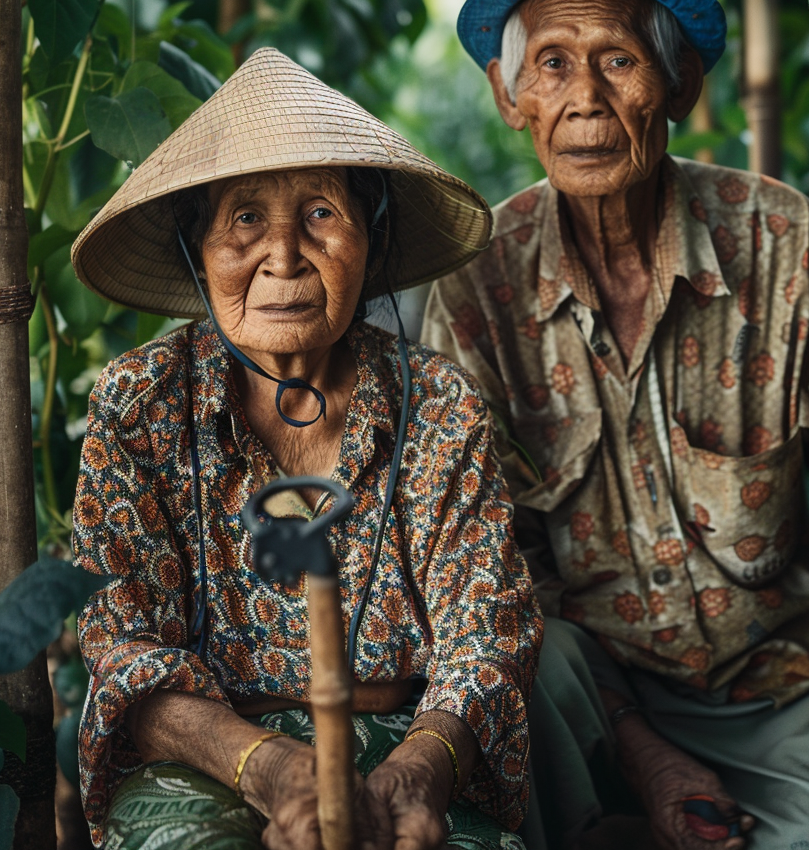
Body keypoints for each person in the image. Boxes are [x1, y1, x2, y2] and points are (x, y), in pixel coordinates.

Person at [421, 0, 809, 850]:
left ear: (681, 83)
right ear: (508, 92)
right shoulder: (477, 288)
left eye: (619, 60)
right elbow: (486, 571)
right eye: (551, 63)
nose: (585, 99)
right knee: (518, 675)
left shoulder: (778, 239)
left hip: (783, 682)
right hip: (593, 693)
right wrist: (644, 751)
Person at [70, 47, 542, 850]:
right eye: (245, 217)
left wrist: (413, 777)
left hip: (408, 749)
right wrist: (272, 768)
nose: (283, 256)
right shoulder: (139, 404)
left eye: (321, 213)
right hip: (210, 762)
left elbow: (486, 636)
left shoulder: (440, 406)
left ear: (371, 237)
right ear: (197, 247)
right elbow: (123, 648)